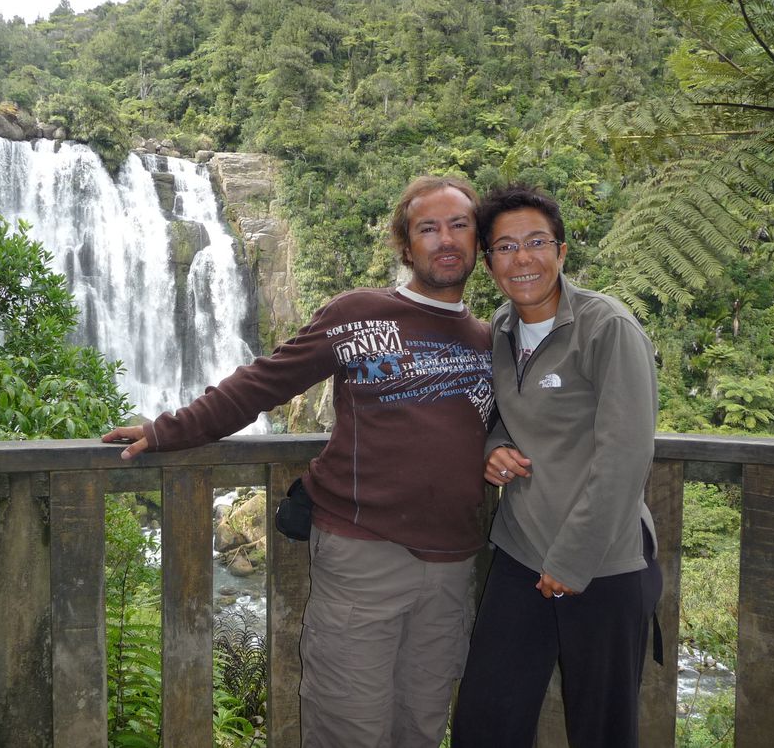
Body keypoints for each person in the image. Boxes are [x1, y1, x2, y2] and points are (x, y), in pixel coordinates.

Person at [103, 175, 495, 748]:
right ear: (406, 246)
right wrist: (169, 430)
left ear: (478, 242)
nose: (445, 240)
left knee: (422, 727)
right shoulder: (358, 313)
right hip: (363, 553)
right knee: (349, 728)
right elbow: (265, 381)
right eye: (427, 228)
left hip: (453, 565)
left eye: (459, 225)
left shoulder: (490, 340)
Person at [451, 184, 662, 748]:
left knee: (601, 729)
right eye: (505, 247)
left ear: (562, 252)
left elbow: (626, 454)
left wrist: (574, 560)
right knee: (484, 723)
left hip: (604, 564)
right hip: (522, 554)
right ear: (489, 262)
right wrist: (491, 446)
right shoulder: (499, 329)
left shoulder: (605, 328)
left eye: (537, 242)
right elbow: (498, 413)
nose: (523, 258)